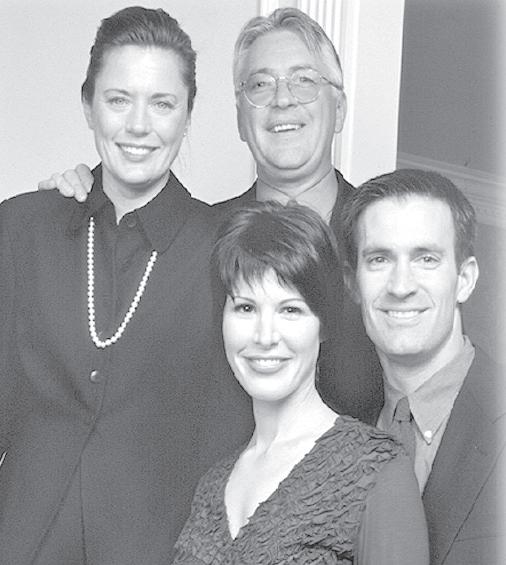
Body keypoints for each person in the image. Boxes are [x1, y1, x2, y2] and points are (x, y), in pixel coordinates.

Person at [39, 7, 383, 425]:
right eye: (260, 84)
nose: (282, 99)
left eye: (304, 81)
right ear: (240, 117)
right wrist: (78, 202)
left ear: (340, 108)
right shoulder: (200, 239)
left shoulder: (383, 237)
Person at [0, 7, 250, 564]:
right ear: (88, 105)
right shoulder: (21, 228)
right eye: (118, 100)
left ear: (188, 115)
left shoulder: (225, 250)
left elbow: (233, 438)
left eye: (162, 103)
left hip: (157, 549)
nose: (139, 126)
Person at [172, 201, 429, 564]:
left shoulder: (375, 470)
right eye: (245, 308)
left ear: (323, 325)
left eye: (290, 310)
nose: (265, 336)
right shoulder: (212, 485)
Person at [341, 168, 506, 564]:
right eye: (379, 259)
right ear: (353, 283)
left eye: (426, 258)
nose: (401, 286)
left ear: (464, 279)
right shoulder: (338, 429)